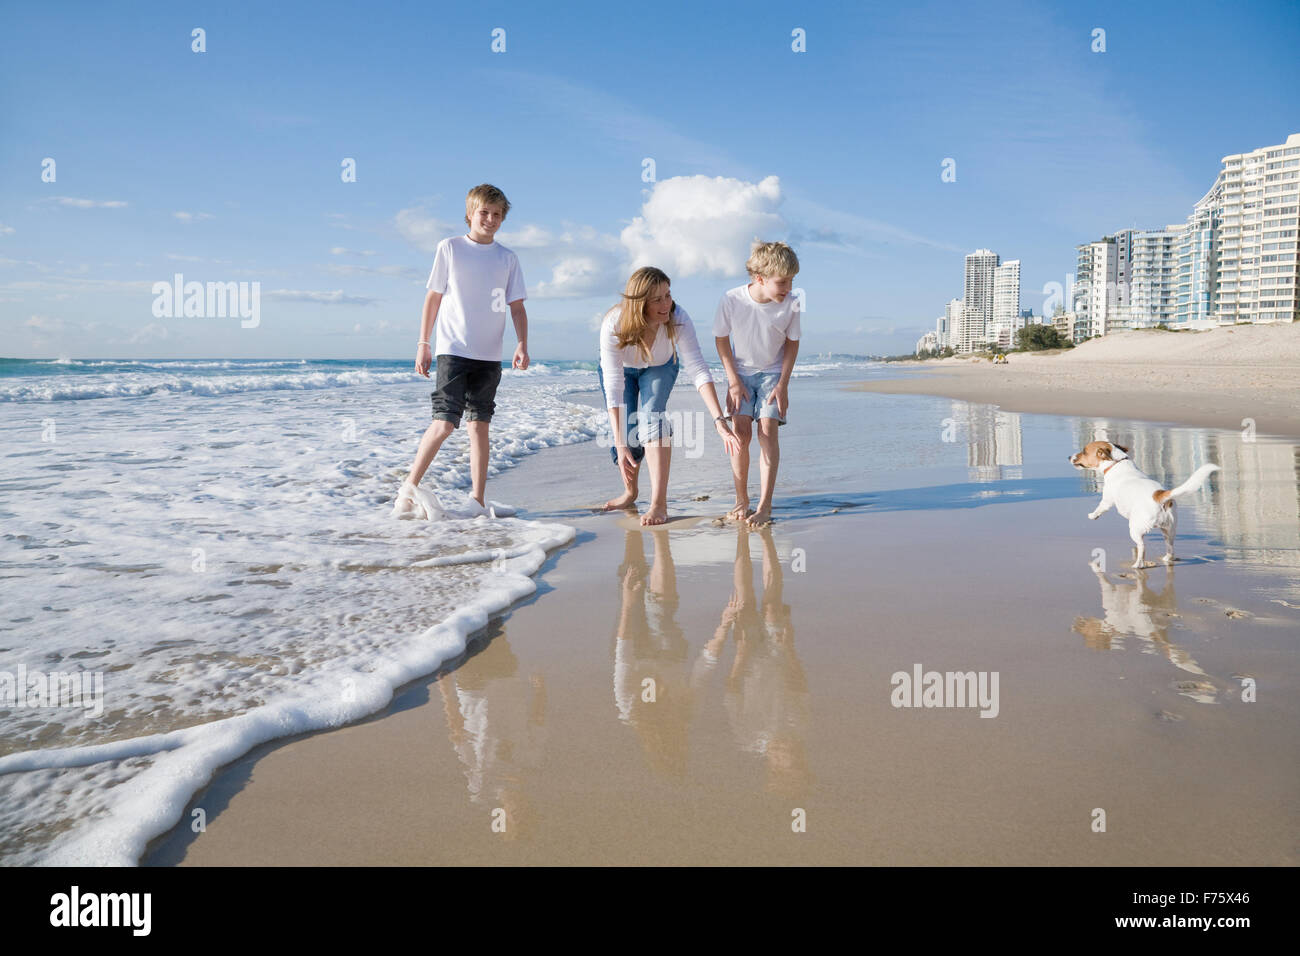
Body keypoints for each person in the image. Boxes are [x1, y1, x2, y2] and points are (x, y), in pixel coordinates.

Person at [392, 184, 528, 520]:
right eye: (484, 212)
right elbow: (433, 298)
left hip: (489, 355)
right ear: (470, 214)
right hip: (452, 349)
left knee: (479, 425)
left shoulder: (508, 258)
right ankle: (407, 490)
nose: (490, 219)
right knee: (444, 422)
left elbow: (517, 307)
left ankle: (478, 500)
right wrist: (423, 343)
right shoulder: (450, 248)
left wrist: (522, 343)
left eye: (497, 215)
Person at [598, 266, 740, 526]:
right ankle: (630, 493)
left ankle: (658, 503)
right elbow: (614, 385)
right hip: (622, 372)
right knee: (627, 433)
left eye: (668, 294)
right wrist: (619, 443)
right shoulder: (614, 323)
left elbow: (697, 368)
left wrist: (719, 420)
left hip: (660, 366)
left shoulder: (678, 317)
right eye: (657, 299)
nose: (667, 304)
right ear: (640, 303)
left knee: (652, 416)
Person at [714, 241, 801, 527]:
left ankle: (764, 505)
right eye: (783, 282)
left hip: (773, 373)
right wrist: (733, 380)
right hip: (740, 373)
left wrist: (783, 384)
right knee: (740, 433)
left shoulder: (792, 303)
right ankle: (742, 501)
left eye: (791, 281)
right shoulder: (732, 299)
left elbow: (791, 343)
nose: (788, 287)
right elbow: (721, 339)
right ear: (759, 279)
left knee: (767, 432)